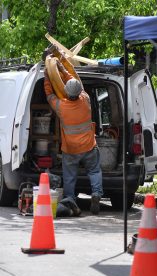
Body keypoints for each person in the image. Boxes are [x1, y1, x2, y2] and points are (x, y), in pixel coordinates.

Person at [44, 49, 103, 215]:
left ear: (66, 93)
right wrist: (63, 69)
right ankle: (97, 194)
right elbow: (75, 81)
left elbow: (49, 95)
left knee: (70, 176)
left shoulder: (61, 106)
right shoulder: (85, 100)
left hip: (70, 150)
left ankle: (70, 200)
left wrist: (48, 76)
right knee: (94, 171)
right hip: (89, 146)